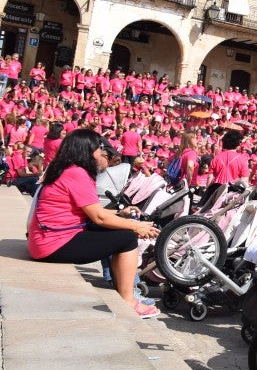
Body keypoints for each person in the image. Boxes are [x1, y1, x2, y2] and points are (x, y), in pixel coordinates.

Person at [27, 129, 161, 318]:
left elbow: (89, 211)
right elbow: (98, 217)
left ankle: (124, 292)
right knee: (127, 238)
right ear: (86, 151)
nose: (102, 153)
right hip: (53, 243)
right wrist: (135, 226)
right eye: (99, 150)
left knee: (119, 229)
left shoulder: (66, 169)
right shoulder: (77, 173)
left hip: (47, 238)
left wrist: (120, 213)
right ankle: (129, 301)